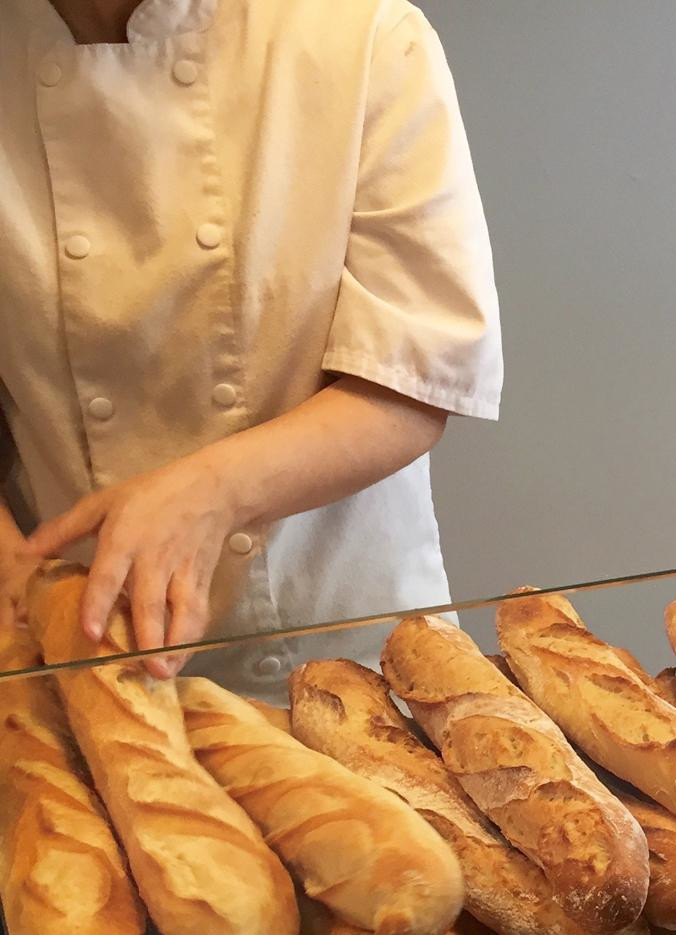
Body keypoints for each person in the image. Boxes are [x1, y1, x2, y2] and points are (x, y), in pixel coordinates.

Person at [0, 0, 501, 693]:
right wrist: (15, 570)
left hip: (343, 665)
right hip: (78, 663)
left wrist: (213, 491)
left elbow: (412, 379)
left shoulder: (361, 36)